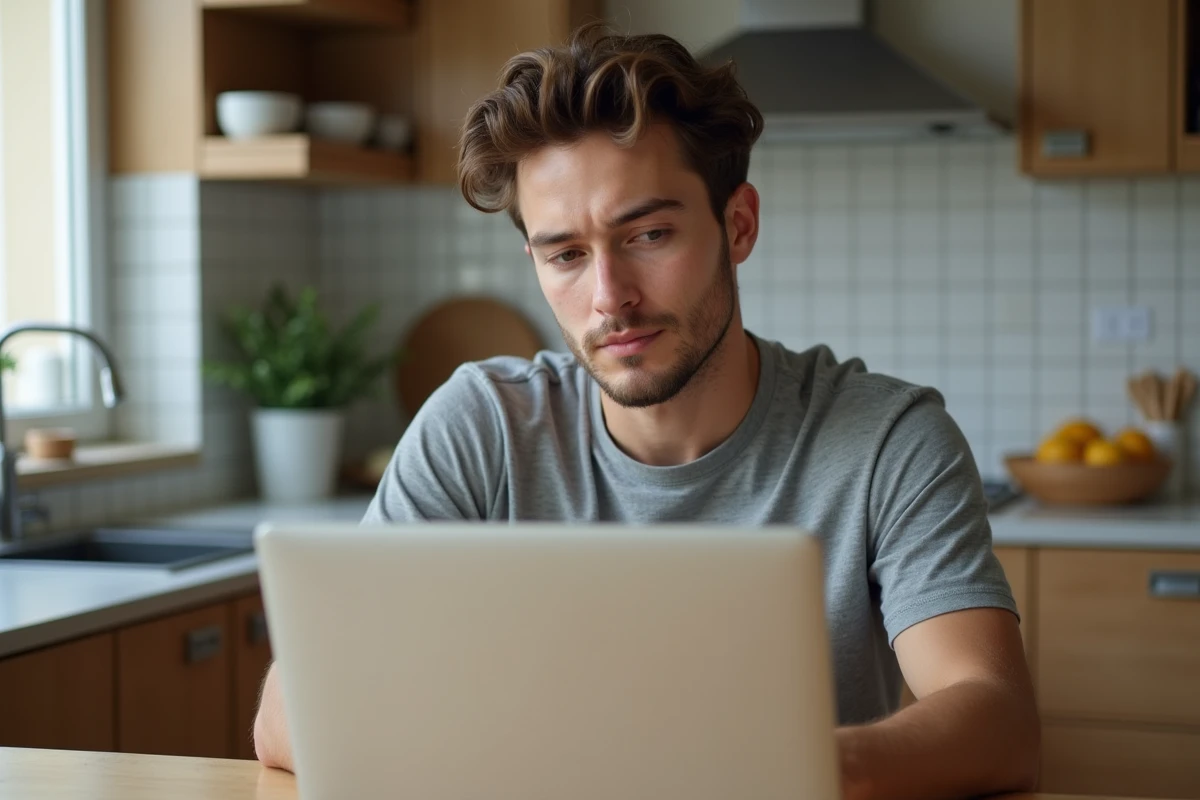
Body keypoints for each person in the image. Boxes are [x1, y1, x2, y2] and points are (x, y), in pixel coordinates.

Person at [255, 23, 1039, 799]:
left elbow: (995, 720)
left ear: (738, 225)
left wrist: (783, 773)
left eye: (650, 234)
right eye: (567, 255)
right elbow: (285, 717)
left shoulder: (887, 441)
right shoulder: (482, 425)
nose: (609, 298)